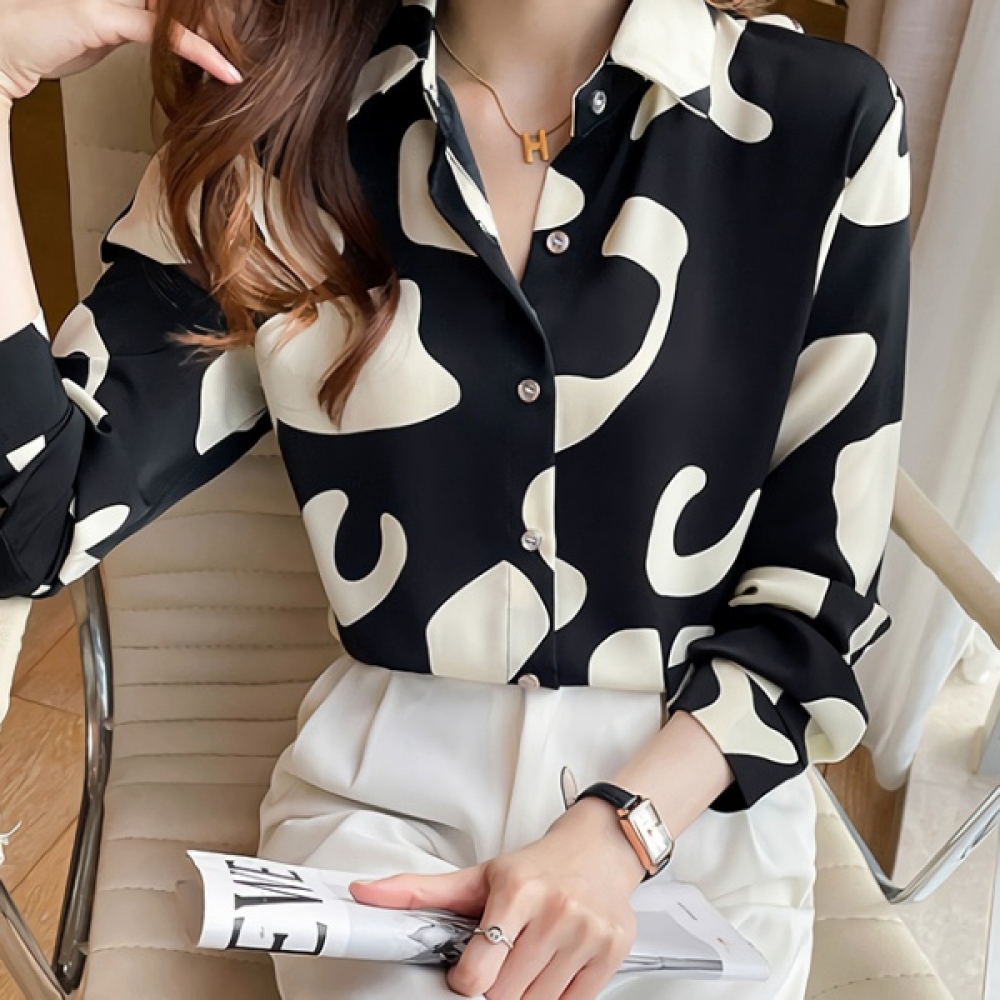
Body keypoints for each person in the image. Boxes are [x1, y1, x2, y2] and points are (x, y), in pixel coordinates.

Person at [0, 0, 910, 996]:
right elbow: (29, 523)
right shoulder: (279, 129)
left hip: (686, 823)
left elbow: (813, 601)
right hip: (386, 816)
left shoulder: (822, 122)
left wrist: (618, 833)